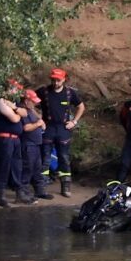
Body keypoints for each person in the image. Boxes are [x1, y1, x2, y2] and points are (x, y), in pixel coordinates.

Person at [37, 68, 84, 198]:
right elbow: (29, 103)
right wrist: (39, 119)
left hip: (63, 129)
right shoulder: (43, 91)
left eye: (58, 80)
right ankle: (41, 187)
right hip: (48, 128)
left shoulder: (70, 93)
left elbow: (81, 106)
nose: (55, 82)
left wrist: (74, 122)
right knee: (45, 159)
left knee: (64, 158)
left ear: (64, 79)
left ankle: (66, 186)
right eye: (53, 80)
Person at [0, 80, 28, 207]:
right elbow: (15, 118)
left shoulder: (13, 103)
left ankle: (19, 193)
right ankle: (0, 195)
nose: (16, 92)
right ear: (8, 89)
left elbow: (25, 112)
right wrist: (17, 112)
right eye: (15, 89)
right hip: (3, 138)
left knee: (17, 165)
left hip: (15, 139)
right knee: (3, 166)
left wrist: (15, 108)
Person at [20, 88, 52, 202]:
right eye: (32, 101)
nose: (34, 103)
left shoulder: (31, 110)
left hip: (36, 144)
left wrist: (41, 123)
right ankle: (24, 192)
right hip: (28, 144)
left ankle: (40, 191)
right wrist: (38, 124)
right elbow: (26, 128)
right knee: (27, 169)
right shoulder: (22, 111)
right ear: (26, 100)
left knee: (37, 169)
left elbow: (39, 121)